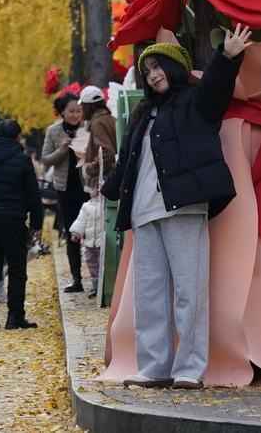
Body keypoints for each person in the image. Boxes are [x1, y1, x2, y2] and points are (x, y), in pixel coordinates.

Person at [101, 26, 250, 389]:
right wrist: (108, 191)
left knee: (190, 290)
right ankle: (153, 367)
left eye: (158, 67)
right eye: (147, 71)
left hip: (183, 207)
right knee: (149, 295)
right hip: (144, 211)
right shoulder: (142, 113)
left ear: (175, 68)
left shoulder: (196, 103)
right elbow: (128, 161)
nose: (153, 76)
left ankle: (189, 369)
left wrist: (227, 57)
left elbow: (217, 88)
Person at [0, 119, 43, 330]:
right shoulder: (22, 160)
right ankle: (15, 316)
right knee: (16, 269)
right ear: (18, 137)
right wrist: (36, 224)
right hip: (12, 220)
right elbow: (33, 194)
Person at [41, 91, 90, 293]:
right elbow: (46, 159)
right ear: (62, 112)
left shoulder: (87, 128)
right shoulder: (53, 131)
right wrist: (62, 150)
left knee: (91, 232)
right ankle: (76, 277)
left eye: (79, 111)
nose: (75, 115)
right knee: (72, 232)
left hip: (87, 186)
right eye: (71, 111)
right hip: (65, 188)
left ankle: (96, 277)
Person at [79, 85, 116, 191]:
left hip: (104, 179)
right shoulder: (111, 119)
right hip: (112, 176)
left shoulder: (98, 123)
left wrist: (90, 170)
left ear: (86, 106)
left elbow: (106, 152)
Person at [69, 188, 103, 298]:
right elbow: (81, 220)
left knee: (102, 265)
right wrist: (76, 233)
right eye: (93, 189)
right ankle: (95, 285)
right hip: (89, 243)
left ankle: (102, 286)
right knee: (92, 265)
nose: (96, 191)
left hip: (100, 242)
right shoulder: (86, 206)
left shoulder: (104, 205)